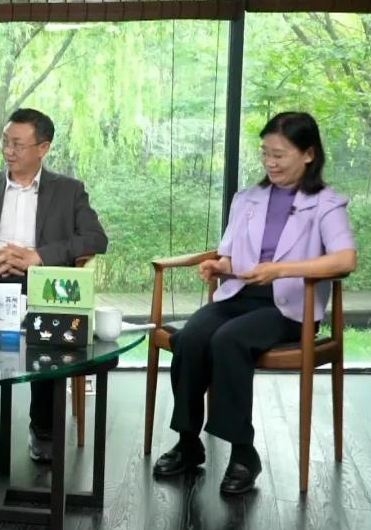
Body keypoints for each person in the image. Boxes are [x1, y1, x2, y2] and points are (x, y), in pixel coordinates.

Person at [153, 111, 357, 496]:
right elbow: (233, 259)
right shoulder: (247, 199)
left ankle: (243, 453)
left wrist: (281, 270)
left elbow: (345, 260)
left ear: (308, 154)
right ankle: (188, 442)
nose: (270, 163)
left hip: (289, 308)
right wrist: (219, 266)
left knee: (228, 340)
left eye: (279, 155)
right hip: (240, 295)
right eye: (265, 153)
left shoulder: (326, 203)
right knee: (191, 338)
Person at [0, 108, 109, 462]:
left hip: (38, 280)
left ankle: (44, 428)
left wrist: (38, 256)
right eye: (6, 142)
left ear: (43, 148)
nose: (8, 151)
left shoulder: (69, 190)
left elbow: (95, 239)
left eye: (18, 144)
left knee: (52, 334)